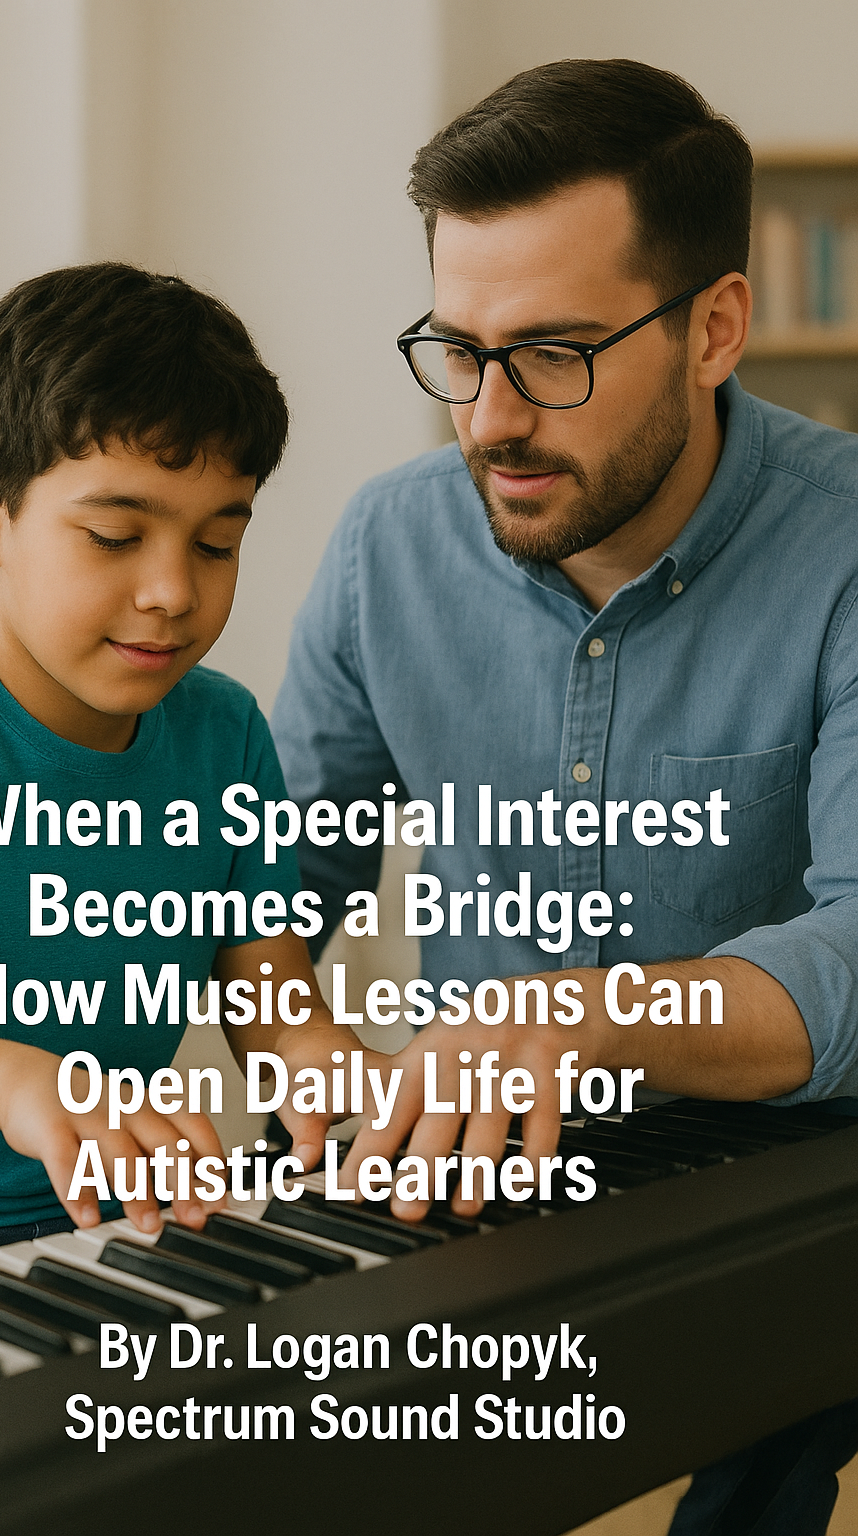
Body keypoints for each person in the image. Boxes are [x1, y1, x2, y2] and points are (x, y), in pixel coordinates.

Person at [270, 59, 858, 1535]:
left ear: (716, 327)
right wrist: (322, 1067)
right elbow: (263, 894)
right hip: (471, 1183)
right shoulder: (381, 551)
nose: (485, 420)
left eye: (553, 355)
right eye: (457, 351)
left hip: (791, 1172)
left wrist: (583, 1012)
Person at [0, 262, 375, 1289]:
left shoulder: (225, 736)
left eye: (217, 544)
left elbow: (275, 1004)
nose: (172, 592)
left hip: (111, 1223)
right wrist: (15, 1083)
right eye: (116, 537)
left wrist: (334, 1079)